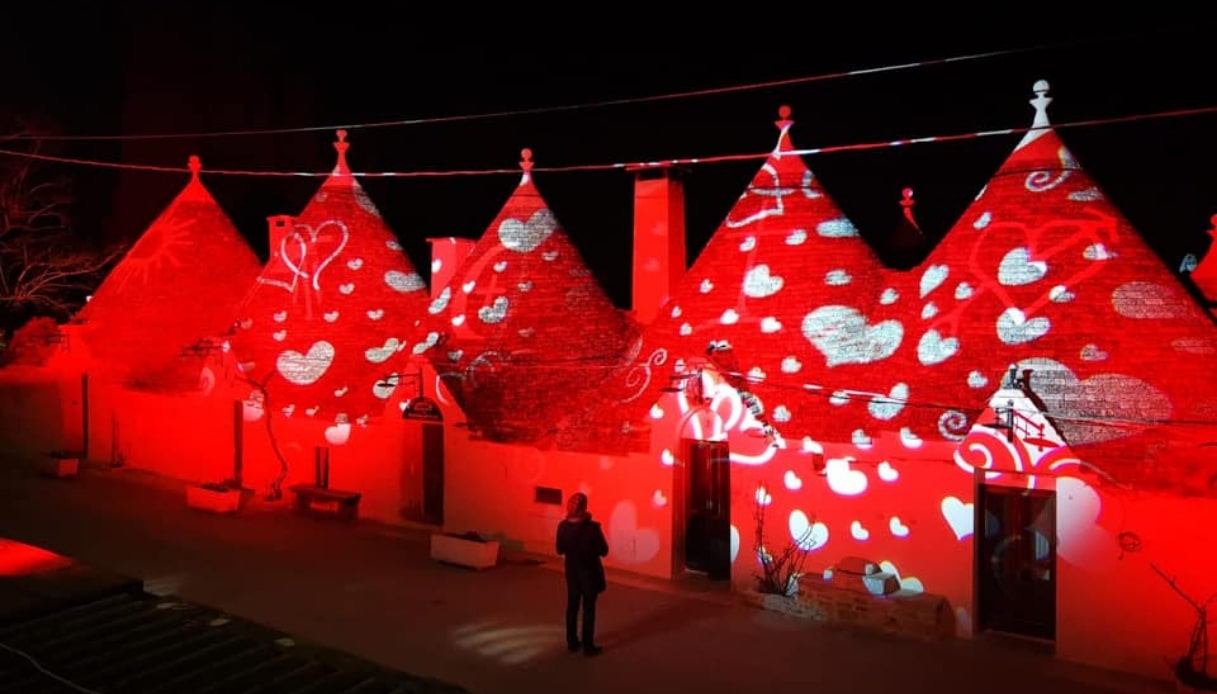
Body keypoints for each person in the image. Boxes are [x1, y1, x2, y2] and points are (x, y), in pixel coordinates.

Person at [555, 492, 609, 656]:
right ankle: (588, 646)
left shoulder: (562, 526)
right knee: (588, 609)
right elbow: (604, 550)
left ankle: (572, 642)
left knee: (572, 607)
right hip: (590, 574)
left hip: (572, 573)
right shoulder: (592, 529)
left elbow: (559, 550)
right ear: (585, 507)